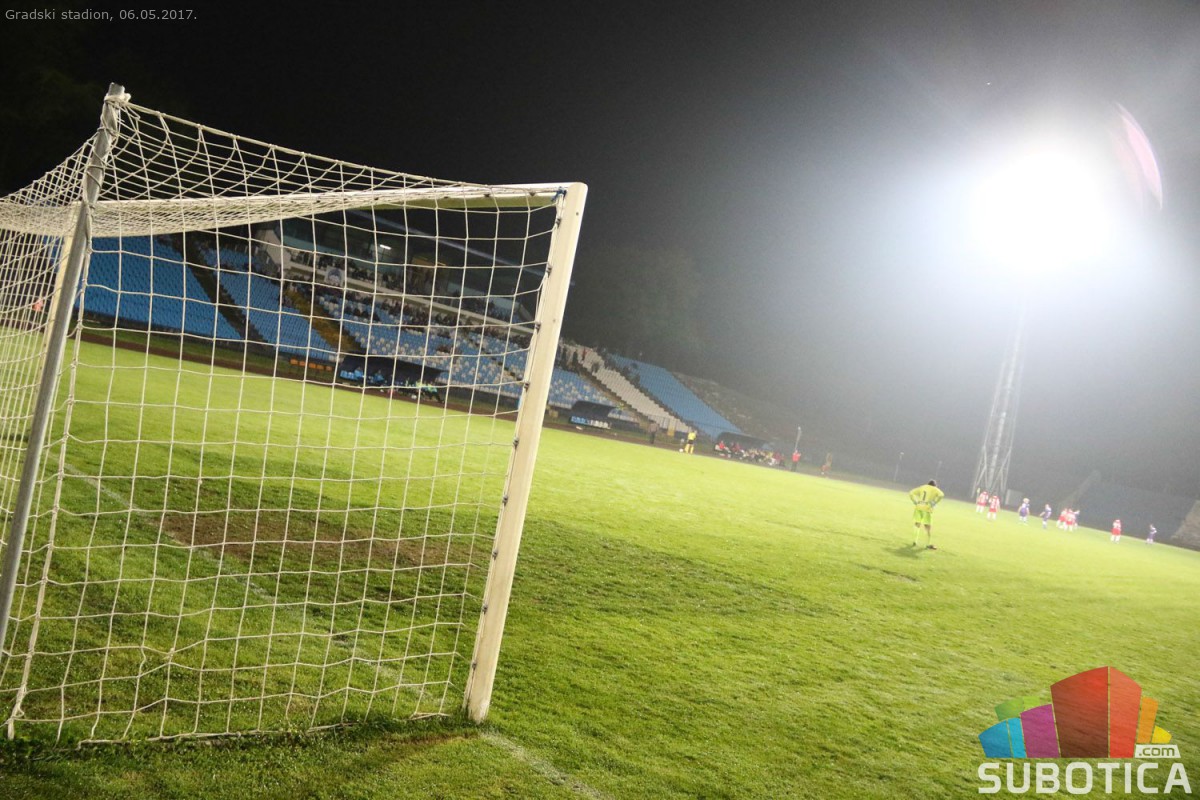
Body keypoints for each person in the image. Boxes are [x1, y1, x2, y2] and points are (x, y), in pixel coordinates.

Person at [908, 479, 945, 550]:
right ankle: (927, 544)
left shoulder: (922, 487)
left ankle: (914, 541)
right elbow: (941, 495)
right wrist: (934, 503)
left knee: (917, 524)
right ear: (935, 485)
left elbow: (911, 493)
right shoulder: (934, 489)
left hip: (918, 507)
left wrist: (914, 501)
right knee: (927, 527)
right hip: (927, 509)